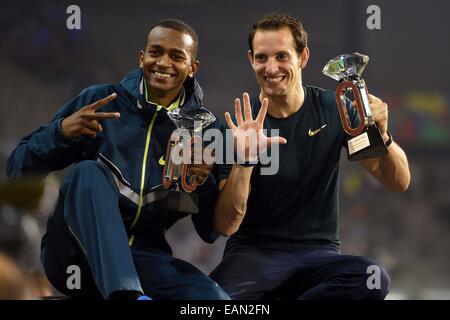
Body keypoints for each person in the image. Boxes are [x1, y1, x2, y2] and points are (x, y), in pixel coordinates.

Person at [6, 19, 230, 300]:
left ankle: (128, 290)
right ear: (142, 57)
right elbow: (17, 169)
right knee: (87, 172)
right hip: (74, 256)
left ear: (192, 69)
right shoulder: (100, 101)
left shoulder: (207, 131)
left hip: (143, 260)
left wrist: (203, 184)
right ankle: (127, 296)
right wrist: (59, 133)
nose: (163, 62)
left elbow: (211, 231)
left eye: (176, 56)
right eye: (155, 52)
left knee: (213, 299)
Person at [210, 14, 410, 300]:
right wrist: (244, 160)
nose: (271, 67)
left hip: (319, 255)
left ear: (303, 57)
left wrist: (383, 136)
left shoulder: (336, 109)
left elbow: (398, 181)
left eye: (282, 56)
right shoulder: (238, 127)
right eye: (261, 57)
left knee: (372, 279)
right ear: (250, 59)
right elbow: (226, 225)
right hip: (252, 256)